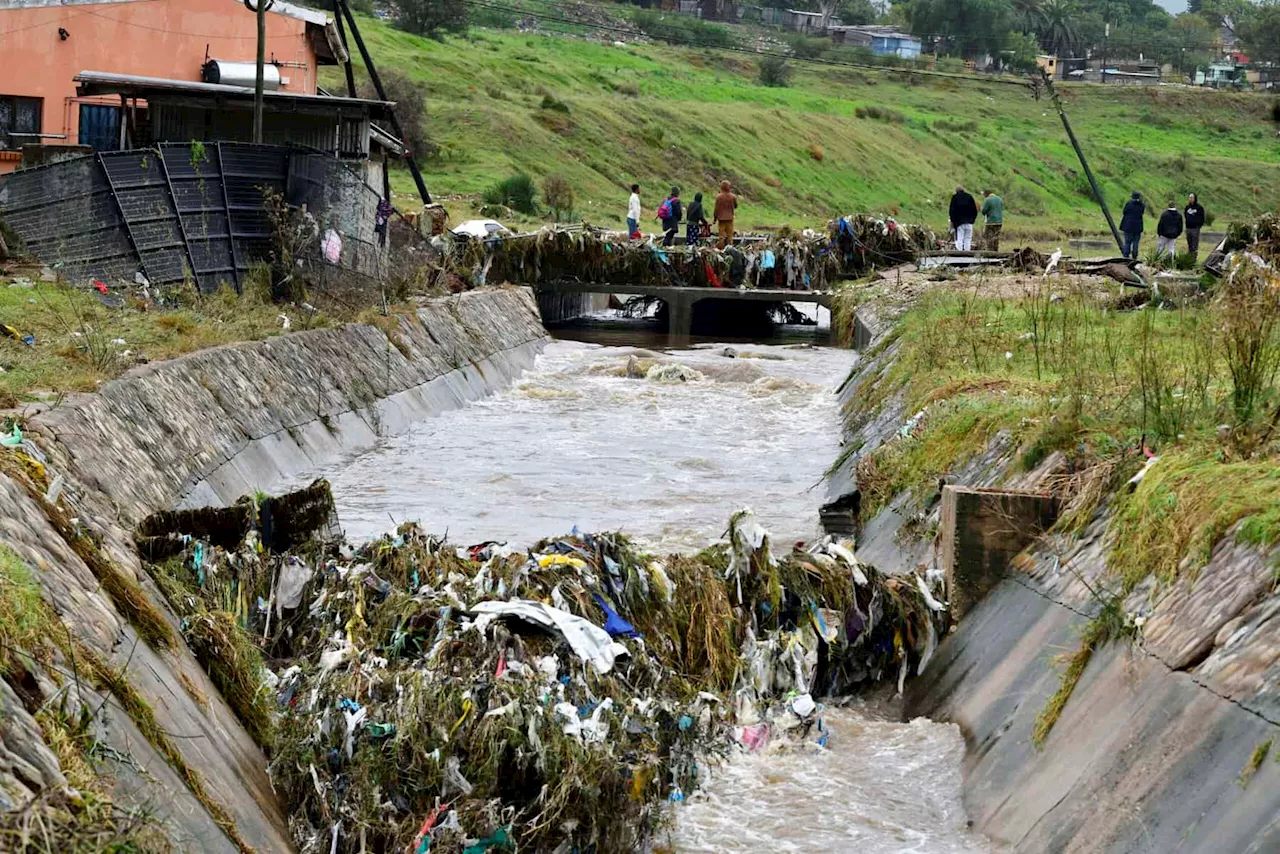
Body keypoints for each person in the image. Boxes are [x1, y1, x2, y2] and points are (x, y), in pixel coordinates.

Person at [948, 185, 978, 252]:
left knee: (959, 238)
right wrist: (972, 220)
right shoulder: (969, 197)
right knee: (968, 239)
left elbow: (952, 211)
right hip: (969, 222)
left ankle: (959, 253)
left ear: (956, 191)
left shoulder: (955, 197)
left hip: (959, 223)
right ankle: (967, 253)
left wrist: (953, 221)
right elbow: (975, 210)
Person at [1120, 191, 1145, 260]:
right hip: (1138, 225)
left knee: (1127, 241)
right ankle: (1135, 255)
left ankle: (1126, 255)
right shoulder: (1142, 204)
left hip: (1128, 225)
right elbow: (1142, 213)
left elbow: (1124, 212)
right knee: (1136, 242)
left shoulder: (1129, 204)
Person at [714, 180, 737, 249]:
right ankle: (730, 249)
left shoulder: (718, 197)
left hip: (721, 219)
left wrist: (715, 218)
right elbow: (736, 206)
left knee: (721, 237)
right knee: (730, 236)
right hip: (730, 218)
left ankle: (721, 249)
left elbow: (716, 209)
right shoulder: (733, 197)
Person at [1184, 193, 1205, 261]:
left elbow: (1202, 218)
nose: (1190, 199)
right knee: (1189, 243)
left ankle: (1194, 259)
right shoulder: (1187, 207)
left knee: (1194, 244)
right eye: (1189, 197)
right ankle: (1189, 259)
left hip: (1195, 228)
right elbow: (1185, 215)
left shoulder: (1199, 208)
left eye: (1192, 198)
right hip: (1188, 228)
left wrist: (1199, 225)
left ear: (1195, 198)